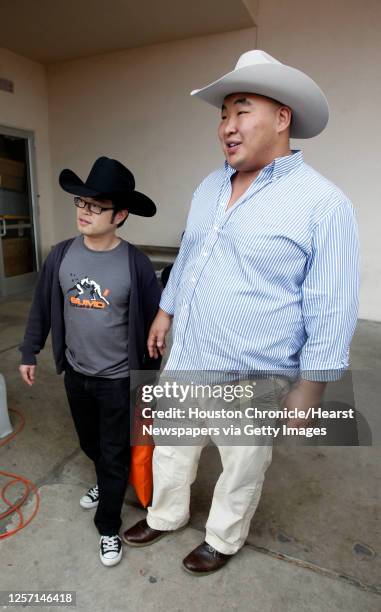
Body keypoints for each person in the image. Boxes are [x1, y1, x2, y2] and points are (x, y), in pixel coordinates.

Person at [123, 50, 360, 575]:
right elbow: (188, 256)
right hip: (189, 354)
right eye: (223, 114)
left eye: (242, 111)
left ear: (282, 118)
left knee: (241, 467)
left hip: (254, 373)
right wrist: (165, 311)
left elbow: (333, 305)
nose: (227, 126)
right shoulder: (209, 186)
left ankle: (222, 539)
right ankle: (165, 516)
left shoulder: (324, 204)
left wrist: (311, 389)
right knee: (171, 449)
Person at [19, 156, 161, 567]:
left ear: (120, 215)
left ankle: (107, 527)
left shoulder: (136, 265)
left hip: (118, 379)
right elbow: (42, 310)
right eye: (81, 203)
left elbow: (154, 325)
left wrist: (146, 380)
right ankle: (105, 479)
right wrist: (30, 350)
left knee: (115, 452)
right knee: (90, 443)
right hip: (77, 374)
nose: (84, 211)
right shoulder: (61, 255)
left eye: (96, 206)